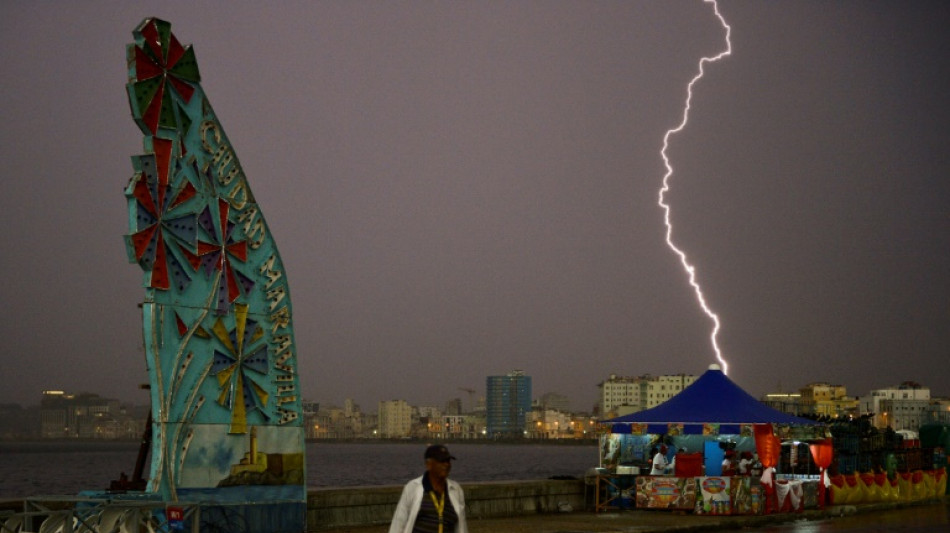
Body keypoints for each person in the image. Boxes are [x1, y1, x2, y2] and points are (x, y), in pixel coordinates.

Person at [390, 444, 468, 533]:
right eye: (442, 461)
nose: (446, 464)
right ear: (429, 464)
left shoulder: (456, 490)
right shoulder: (412, 488)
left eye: (448, 461)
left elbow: (462, 526)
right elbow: (399, 523)